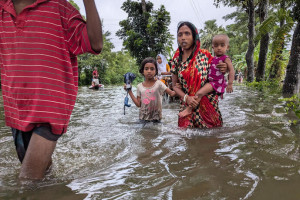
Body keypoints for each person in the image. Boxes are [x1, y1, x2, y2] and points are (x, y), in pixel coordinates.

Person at [0, 0, 103, 180]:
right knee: (43, 176)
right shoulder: (2, 9)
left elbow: (95, 43)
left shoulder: (59, 7)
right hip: (16, 108)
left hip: (51, 108)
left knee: (27, 181)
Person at [171, 21, 228, 128]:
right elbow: (174, 86)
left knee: (212, 138)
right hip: (186, 105)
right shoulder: (176, 59)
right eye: (180, 34)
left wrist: (224, 68)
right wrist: (186, 98)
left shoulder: (205, 55)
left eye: (187, 33)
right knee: (185, 137)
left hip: (207, 105)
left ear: (194, 36)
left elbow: (216, 79)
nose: (183, 37)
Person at [178, 34, 234, 118]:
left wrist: (230, 84)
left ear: (227, 47)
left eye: (222, 45)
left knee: (199, 93)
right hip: (211, 81)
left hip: (215, 83)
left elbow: (232, 70)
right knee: (200, 94)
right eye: (216, 46)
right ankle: (191, 109)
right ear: (213, 48)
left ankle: (189, 109)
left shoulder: (225, 58)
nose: (219, 48)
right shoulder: (213, 58)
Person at [124, 57, 176, 122]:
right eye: (146, 69)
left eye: (152, 69)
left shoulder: (159, 84)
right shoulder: (139, 86)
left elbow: (172, 93)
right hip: (142, 119)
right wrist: (130, 91)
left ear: (156, 71)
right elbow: (138, 104)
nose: (149, 71)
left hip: (156, 119)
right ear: (142, 71)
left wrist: (177, 87)